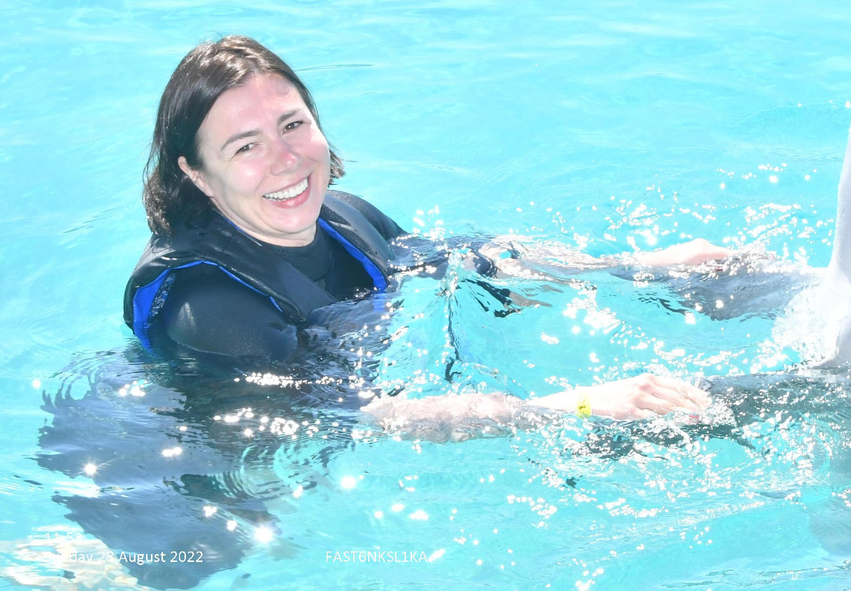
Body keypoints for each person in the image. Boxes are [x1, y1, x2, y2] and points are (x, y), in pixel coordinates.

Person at [125, 35, 727, 426]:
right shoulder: (209, 307)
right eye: (246, 145)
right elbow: (357, 423)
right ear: (197, 174)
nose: (286, 160)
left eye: (293, 124)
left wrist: (647, 270)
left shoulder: (347, 216)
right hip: (196, 496)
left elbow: (470, 265)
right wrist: (581, 405)